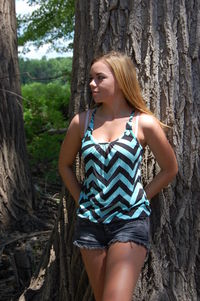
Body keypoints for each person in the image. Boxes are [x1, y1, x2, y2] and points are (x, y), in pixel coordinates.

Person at [58, 51, 178, 301]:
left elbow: (170, 169)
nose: (92, 83)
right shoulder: (82, 122)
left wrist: (141, 197)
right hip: (90, 224)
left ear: (121, 79)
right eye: (91, 78)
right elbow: (65, 165)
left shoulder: (143, 123)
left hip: (129, 221)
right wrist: (81, 201)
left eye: (100, 78)